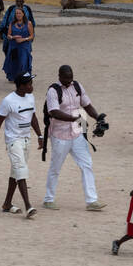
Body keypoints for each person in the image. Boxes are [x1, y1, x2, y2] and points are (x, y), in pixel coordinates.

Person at [42, 65, 106, 212]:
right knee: (55, 167)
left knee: (87, 164)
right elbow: (54, 112)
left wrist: (98, 118)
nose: (69, 81)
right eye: (66, 78)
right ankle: (48, 199)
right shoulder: (53, 91)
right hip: (60, 134)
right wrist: (73, 118)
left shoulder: (77, 86)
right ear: (59, 76)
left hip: (78, 131)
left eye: (71, 78)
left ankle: (92, 201)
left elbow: (87, 105)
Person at [0, 72, 43, 217]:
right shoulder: (8, 101)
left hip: (26, 140)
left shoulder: (30, 97)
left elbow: (33, 117)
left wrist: (40, 135)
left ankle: (7, 203)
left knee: (15, 172)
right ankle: (28, 206)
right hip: (13, 141)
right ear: (21, 86)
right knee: (20, 170)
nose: (32, 86)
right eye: (29, 84)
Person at [1, 5, 34, 82]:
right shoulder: (12, 23)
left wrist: (24, 39)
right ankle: (15, 78)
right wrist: (13, 37)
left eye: (19, 13)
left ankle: (24, 78)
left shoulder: (29, 23)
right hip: (14, 47)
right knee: (14, 63)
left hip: (24, 47)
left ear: (23, 14)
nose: (18, 15)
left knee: (23, 63)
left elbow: (32, 36)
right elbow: (8, 35)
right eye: (16, 13)